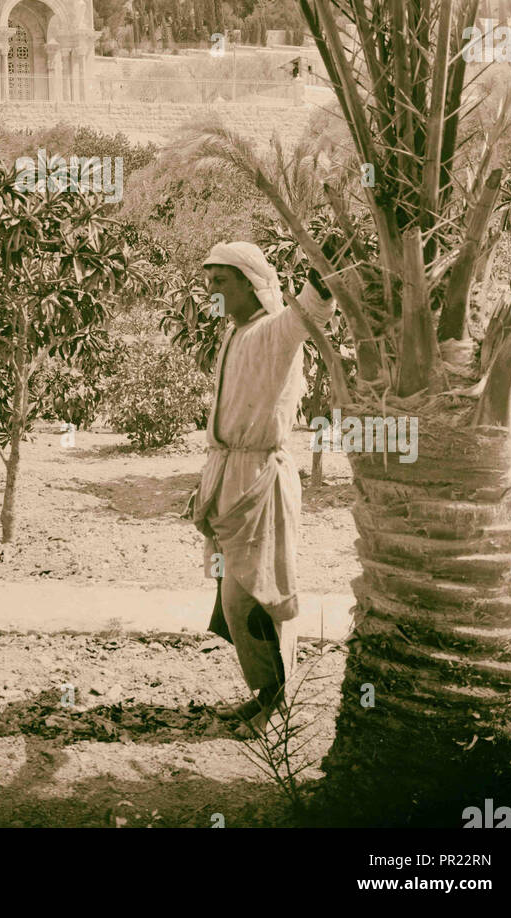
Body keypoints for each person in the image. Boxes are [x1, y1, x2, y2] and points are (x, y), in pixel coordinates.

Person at [192, 240, 335, 737]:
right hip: (226, 475)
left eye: (221, 280)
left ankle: (278, 705)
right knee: (228, 597)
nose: (210, 288)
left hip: (259, 480)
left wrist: (323, 275)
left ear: (251, 285)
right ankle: (264, 694)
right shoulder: (236, 334)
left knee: (253, 595)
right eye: (207, 279)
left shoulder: (274, 331)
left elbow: (307, 314)